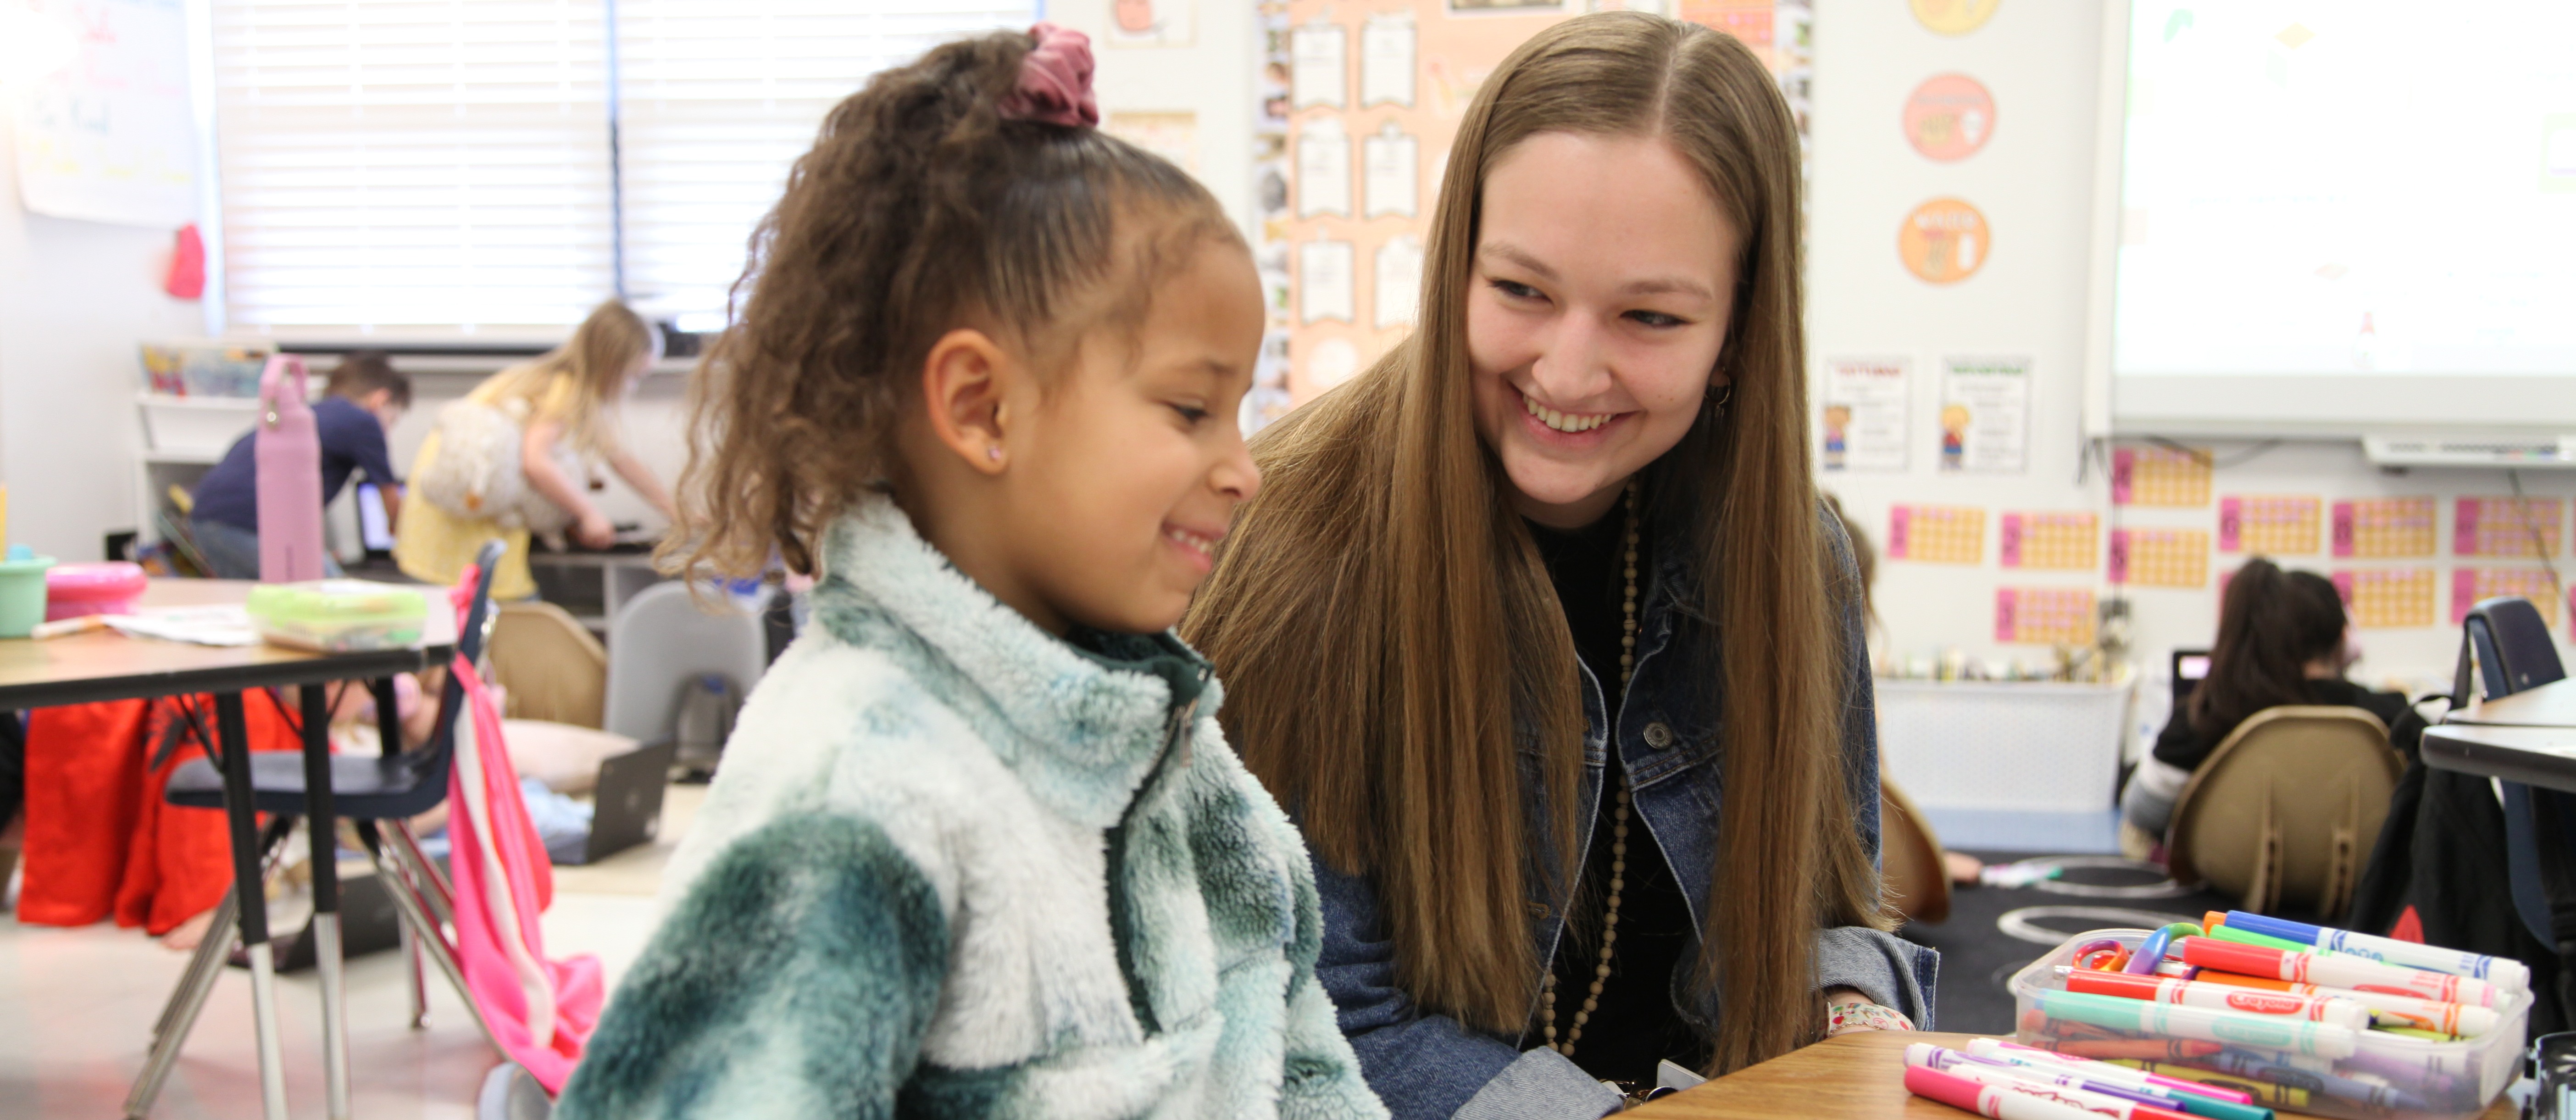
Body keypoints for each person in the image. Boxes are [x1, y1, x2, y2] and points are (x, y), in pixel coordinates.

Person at [553, 27, 1386, 1119]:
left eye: (1240, 414)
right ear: (982, 408)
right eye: (1191, 409)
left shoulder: (1176, 747)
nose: (1244, 470)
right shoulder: (856, 788)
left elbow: (1299, 1053)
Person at [1182, 14, 1934, 1117]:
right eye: (1522, 292)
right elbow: (1311, 1019)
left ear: (1736, 337)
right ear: (1457, 272)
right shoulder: (1297, 544)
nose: (1569, 371)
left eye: (1648, 315)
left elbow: (1819, 910)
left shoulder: (1792, 558)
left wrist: (1851, 1018)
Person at [2120, 557, 2427, 853]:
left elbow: (2144, 813)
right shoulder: (2393, 718)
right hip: (2358, 899)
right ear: (2343, 638)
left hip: (2227, 895)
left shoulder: (2207, 716)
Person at [393, 300, 675, 601]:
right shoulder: (564, 389)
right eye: (633, 377)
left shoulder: (540, 379)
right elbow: (536, 461)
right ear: (611, 365)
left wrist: (677, 513)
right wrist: (588, 513)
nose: (632, 388)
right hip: (463, 531)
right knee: (516, 622)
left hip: (435, 523)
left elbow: (621, 459)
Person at [188, 350, 409, 579]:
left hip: (204, 517)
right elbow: (392, 506)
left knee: (266, 601)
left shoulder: (310, 413)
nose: (387, 429)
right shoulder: (363, 421)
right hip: (246, 523)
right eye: (392, 420)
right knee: (331, 594)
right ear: (380, 400)